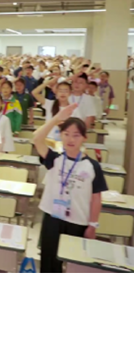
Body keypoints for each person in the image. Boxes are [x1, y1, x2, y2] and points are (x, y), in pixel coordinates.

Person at [32, 105, 107, 273]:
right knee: (49, 262)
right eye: (66, 134)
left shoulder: (92, 166)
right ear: (60, 136)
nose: (70, 139)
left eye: (76, 135)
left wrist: (92, 225)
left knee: (73, 264)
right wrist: (56, 118)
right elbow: (37, 138)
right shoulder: (55, 159)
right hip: (52, 217)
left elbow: (96, 198)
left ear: (84, 138)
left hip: (77, 221)